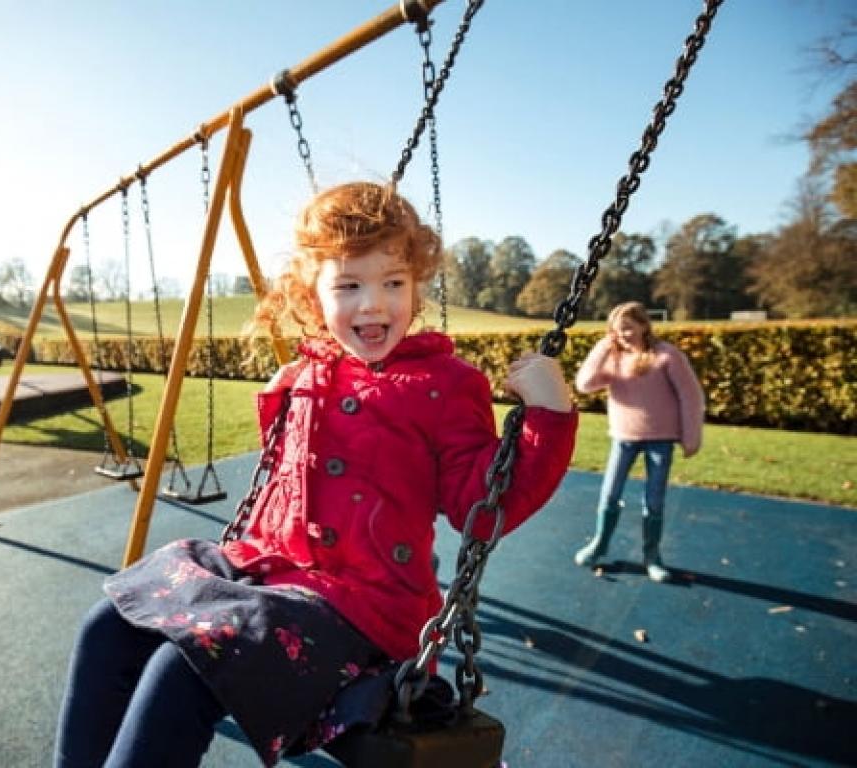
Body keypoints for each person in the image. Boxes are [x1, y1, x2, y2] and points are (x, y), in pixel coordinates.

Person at [53, 181, 578, 768]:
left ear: (417, 287)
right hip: (270, 571)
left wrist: (548, 419)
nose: (374, 304)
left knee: (188, 668)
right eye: (349, 285)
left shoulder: (445, 384)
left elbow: (478, 507)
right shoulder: (312, 369)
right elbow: (297, 485)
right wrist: (281, 405)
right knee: (108, 625)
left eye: (393, 283)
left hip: (366, 607)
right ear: (314, 295)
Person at [573, 301, 705, 583]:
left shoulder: (667, 356)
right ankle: (599, 544)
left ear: (644, 325)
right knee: (609, 494)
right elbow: (584, 384)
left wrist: (691, 435)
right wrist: (602, 348)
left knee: (653, 500)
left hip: (660, 440)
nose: (623, 336)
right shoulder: (613, 358)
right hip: (623, 438)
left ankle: (652, 556)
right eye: (617, 331)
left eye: (628, 329)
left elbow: (690, 396)